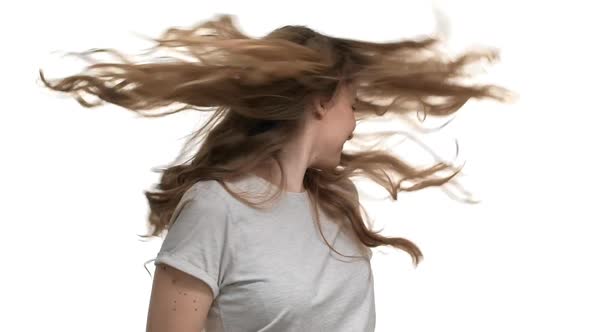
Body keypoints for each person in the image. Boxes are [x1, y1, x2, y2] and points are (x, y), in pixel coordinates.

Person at [39, 14, 511, 332]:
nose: (355, 121)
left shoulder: (337, 204)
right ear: (321, 101)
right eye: (352, 104)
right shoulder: (215, 208)